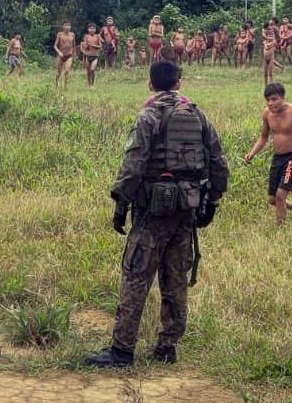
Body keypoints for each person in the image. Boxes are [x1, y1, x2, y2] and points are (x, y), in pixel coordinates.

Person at [84, 61, 229, 367]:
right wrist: (212, 202)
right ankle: (167, 346)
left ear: (150, 84)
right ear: (179, 82)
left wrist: (120, 204)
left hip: (152, 211)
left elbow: (133, 165)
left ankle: (122, 350)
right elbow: (218, 163)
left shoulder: (147, 116)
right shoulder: (197, 115)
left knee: (136, 276)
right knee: (175, 279)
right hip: (186, 208)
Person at [243, 83, 292, 225]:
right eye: (268, 100)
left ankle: (280, 228)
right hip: (277, 158)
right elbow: (264, 137)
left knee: (280, 195)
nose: (271, 103)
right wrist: (252, 153)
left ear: (283, 98)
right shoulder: (267, 114)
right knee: (272, 199)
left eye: (274, 99)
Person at [53, 22, 76, 88]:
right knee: (59, 72)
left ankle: (65, 85)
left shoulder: (72, 34)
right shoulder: (59, 34)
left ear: (70, 27)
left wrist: (74, 53)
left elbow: (74, 45)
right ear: (63, 26)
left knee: (67, 70)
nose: (67, 27)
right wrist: (59, 52)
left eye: (69, 25)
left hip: (69, 55)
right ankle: (57, 84)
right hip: (61, 55)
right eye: (66, 25)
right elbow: (55, 45)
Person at [81, 22, 104, 87]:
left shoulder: (97, 36)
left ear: (95, 29)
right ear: (88, 29)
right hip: (88, 56)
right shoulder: (86, 37)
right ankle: (89, 85)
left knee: (92, 70)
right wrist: (87, 45)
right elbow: (85, 47)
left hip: (95, 56)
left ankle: (93, 84)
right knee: (88, 72)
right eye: (90, 28)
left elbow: (100, 46)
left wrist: (93, 45)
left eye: (93, 28)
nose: (92, 30)